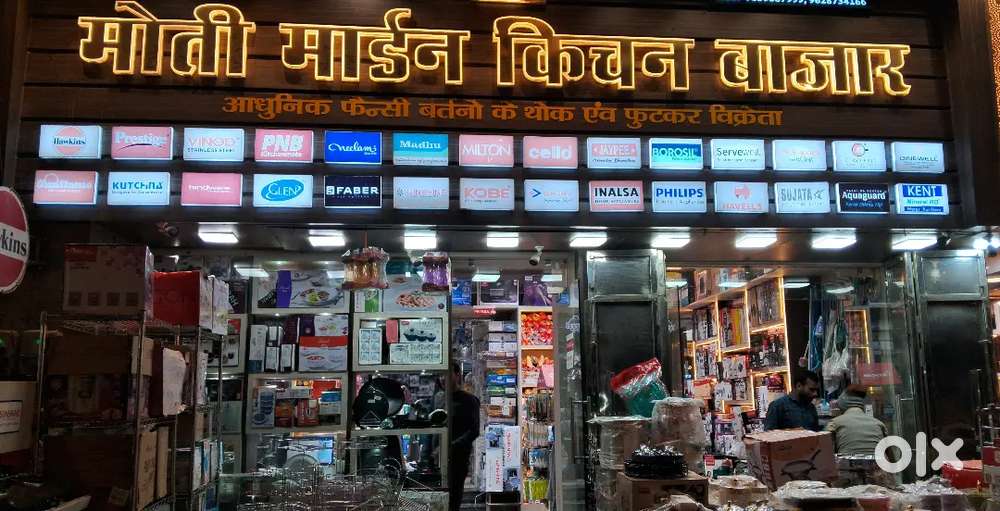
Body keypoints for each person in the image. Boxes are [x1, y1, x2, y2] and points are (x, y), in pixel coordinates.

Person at [449, 362, 480, 511]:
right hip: (436, 459)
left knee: (454, 499)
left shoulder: (470, 401)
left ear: (457, 375)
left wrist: (453, 446)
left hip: (458, 459)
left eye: (447, 374)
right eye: (441, 375)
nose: (443, 378)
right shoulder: (439, 398)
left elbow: (474, 430)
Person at [826, 385, 888, 455]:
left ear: (842, 404)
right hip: (878, 461)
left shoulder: (834, 423)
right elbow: (891, 457)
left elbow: (825, 453)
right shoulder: (879, 424)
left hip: (846, 462)